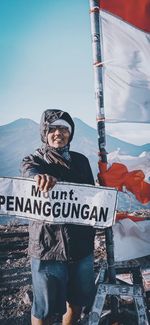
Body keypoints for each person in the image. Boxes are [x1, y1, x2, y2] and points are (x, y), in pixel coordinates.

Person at [21, 109, 96, 325]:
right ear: (44, 132)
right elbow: (29, 171)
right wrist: (38, 177)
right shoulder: (34, 159)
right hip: (47, 246)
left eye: (64, 129)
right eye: (52, 128)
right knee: (44, 308)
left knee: (77, 300)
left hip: (80, 244)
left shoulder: (81, 161)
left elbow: (90, 196)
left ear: (70, 134)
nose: (58, 133)